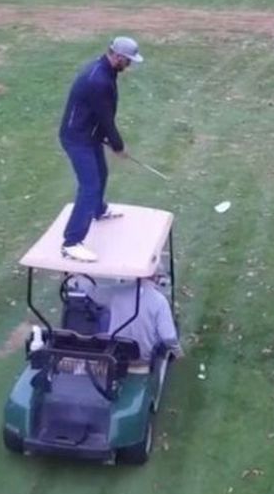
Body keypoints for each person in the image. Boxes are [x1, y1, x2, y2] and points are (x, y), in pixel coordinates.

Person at [58, 36, 144, 263]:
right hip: (77, 138)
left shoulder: (106, 71)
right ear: (117, 57)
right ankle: (71, 243)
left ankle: (98, 210)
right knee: (90, 186)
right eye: (128, 61)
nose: (129, 65)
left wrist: (106, 139)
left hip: (89, 134)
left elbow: (101, 115)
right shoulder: (98, 80)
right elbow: (105, 118)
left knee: (101, 174)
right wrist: (118, 145)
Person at [84, 275, 183, 362]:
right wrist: (178, 352)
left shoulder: (116, 292)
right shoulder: (160, 301)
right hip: (143, 358)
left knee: (104, 318)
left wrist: (77, 278)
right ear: (156, 278)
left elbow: (92, 291)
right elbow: (168, 337)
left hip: (115, 354)